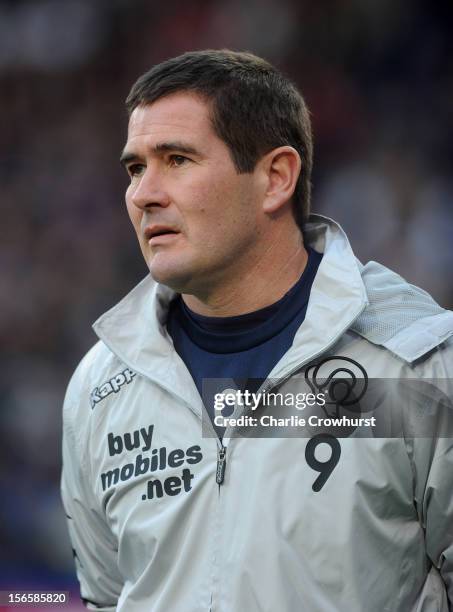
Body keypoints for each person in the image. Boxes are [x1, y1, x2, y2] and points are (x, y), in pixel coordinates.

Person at [61, 50, 453, 611]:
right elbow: (104, 594)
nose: (144, 193)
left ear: (276, 178)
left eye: (176, 159)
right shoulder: (101, 385)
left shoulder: (419, 364)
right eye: (135, 168)